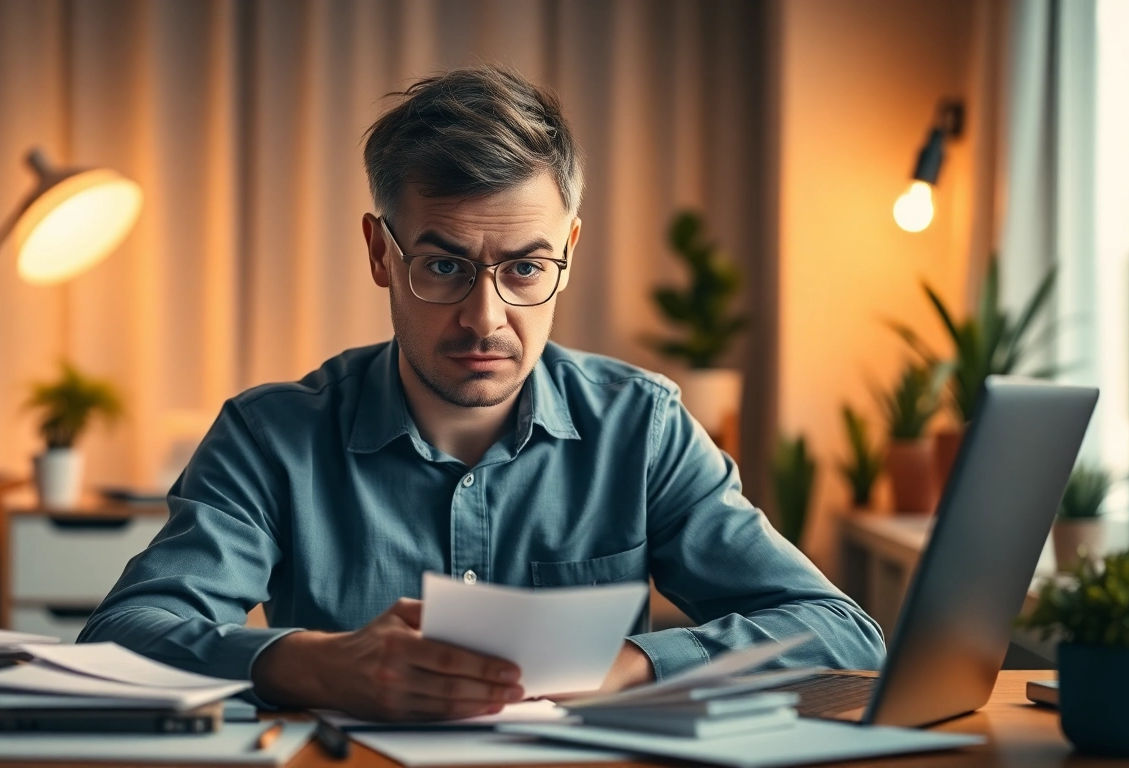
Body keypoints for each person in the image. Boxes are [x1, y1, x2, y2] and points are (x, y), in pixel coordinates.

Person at [80, 65, 885, 722]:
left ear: (569, 249)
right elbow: (120, 638)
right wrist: (318, 665)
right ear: (379, 252)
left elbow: (841, 632)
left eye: (526, 268)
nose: (485, 317)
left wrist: (632, 663)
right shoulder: (271, 436)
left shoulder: (642, 426)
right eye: (443, 265)